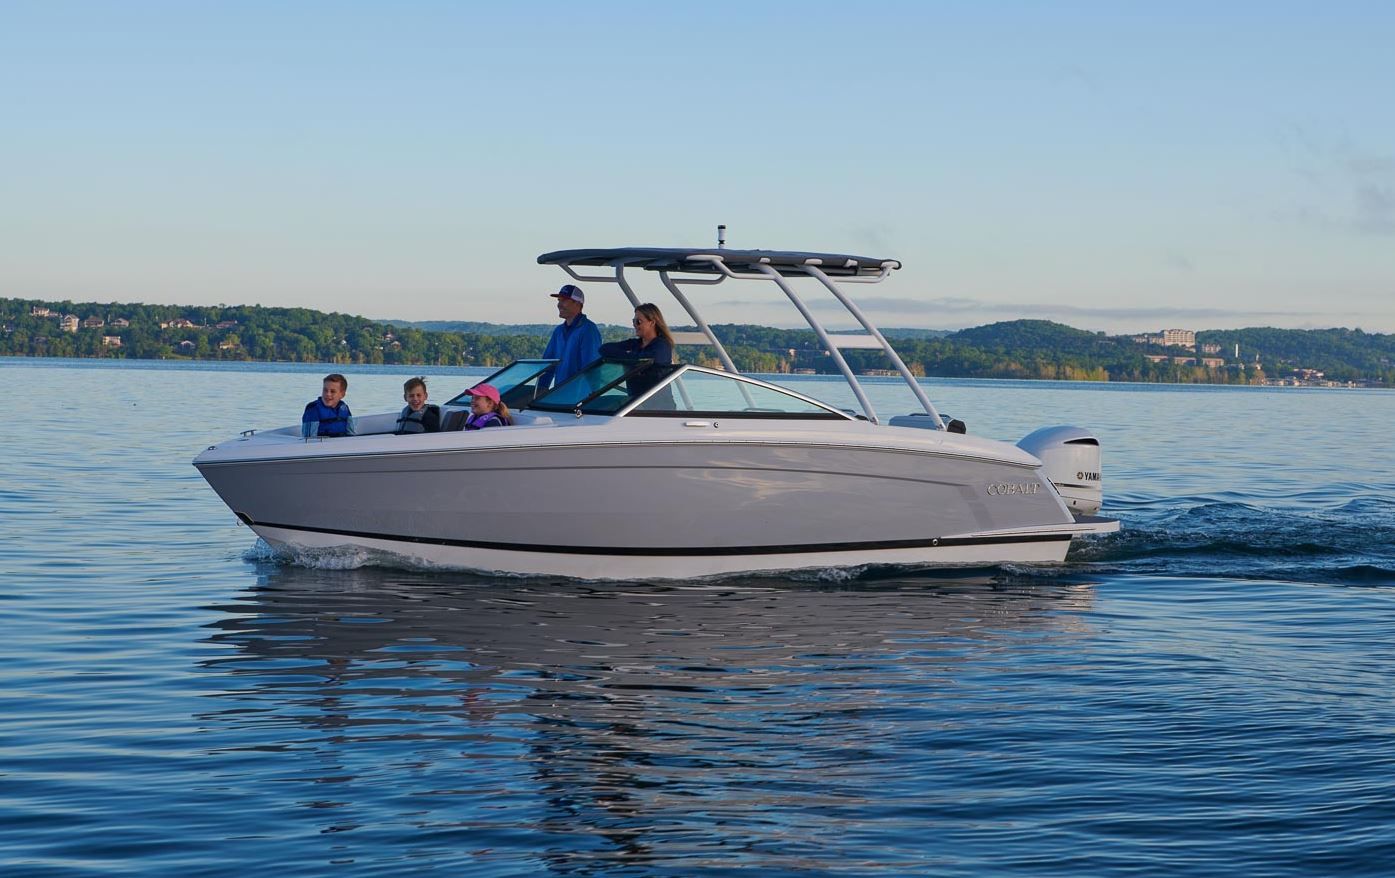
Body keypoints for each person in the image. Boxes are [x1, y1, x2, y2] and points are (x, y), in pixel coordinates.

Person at [600, 302, 676, 402]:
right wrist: (630, 357)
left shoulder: (662, 346)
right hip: (636, 403)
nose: (635, 325)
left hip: (659, 407)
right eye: (634, 321)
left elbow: (649, 360)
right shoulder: (635, 344)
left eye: (638, 321)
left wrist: (628, 357)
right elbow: (604, 349)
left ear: (652, 323)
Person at [540, 284, 601, 389]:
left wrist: (588, 397)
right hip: (559, 395)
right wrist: (538, 392)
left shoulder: (588, 330)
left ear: (577, 304)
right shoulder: (558, 331)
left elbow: (591, 370)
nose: (559, 305)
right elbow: (547, 366)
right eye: (559, 300)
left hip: (579, 397)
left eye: (564, 300)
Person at [302, 373, 354, 437]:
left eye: (332, 391)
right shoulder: (313, 409)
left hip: (342, 443)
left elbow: (351, 434)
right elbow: (308, 439)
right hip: (321, 443)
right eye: (325, 390)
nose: (328, 394)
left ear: (342, 395)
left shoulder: (344, 408)